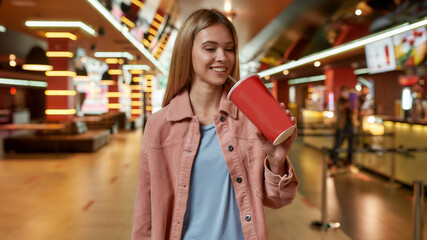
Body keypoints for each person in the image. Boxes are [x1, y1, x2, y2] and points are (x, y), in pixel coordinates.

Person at [132, 9, 299, 240]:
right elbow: (145, 214)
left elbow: (279, 199)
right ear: (186, 52)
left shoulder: (251, 120)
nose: (222, 56)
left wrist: (276, 161)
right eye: (210, 48)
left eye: (229, 49)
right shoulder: (159, 125)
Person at [330, 85, 358, 174]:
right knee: (337, 146)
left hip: (350, 126)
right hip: (341, 126)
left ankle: (350, 164)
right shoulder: (339, 101)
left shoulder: (351, 101)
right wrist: (349, 104)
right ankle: (334, 164)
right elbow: (340, 109)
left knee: (351, 146)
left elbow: (354, 112)